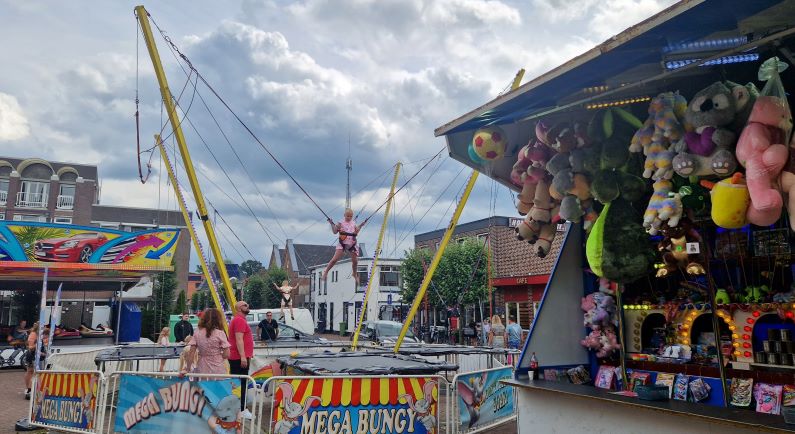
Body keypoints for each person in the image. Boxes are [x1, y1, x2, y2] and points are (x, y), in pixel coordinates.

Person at [322, 208, 367, 285]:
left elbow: (356, 231)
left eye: (350, 216)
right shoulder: (340, 223)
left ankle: (354, 274)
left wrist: (361, 225)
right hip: (343, 244)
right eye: (347, 216)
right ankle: (326, 272)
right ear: (344, 215)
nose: (349, 217)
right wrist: (331, 224)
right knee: (334, 259)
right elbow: (335, 231)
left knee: (355, 261)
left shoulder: (353, 223)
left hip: (352, 244)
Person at [182, 308, 230, 376]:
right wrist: (217, 355)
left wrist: (188, 368)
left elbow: (191, 352)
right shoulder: (220, 333)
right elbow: (227, 354)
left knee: (203, 385)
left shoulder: (197, 332)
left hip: (202, 366)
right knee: (217, 385)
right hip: (217, 367)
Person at [229, 301, 254, 419]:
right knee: (241, 384)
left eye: (247, 304)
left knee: (239, 383)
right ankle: (241, 410)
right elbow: (239, 339)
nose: (247, 306)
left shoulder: (239, 320)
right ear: (239, 308)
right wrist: (243, 357)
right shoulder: (239, 320)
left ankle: (239, 408)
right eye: (245, 305)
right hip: (239, 358)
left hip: (238, 356)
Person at [23, 323, 48, 400]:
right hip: (32, 356)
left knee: (33, 372)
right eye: (43, 327)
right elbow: (30, 347)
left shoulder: (39, 335)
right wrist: (38, 345)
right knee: (32, 372)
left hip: (38, 356)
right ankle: (29, 390)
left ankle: (31, 389)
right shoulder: (33, 334)